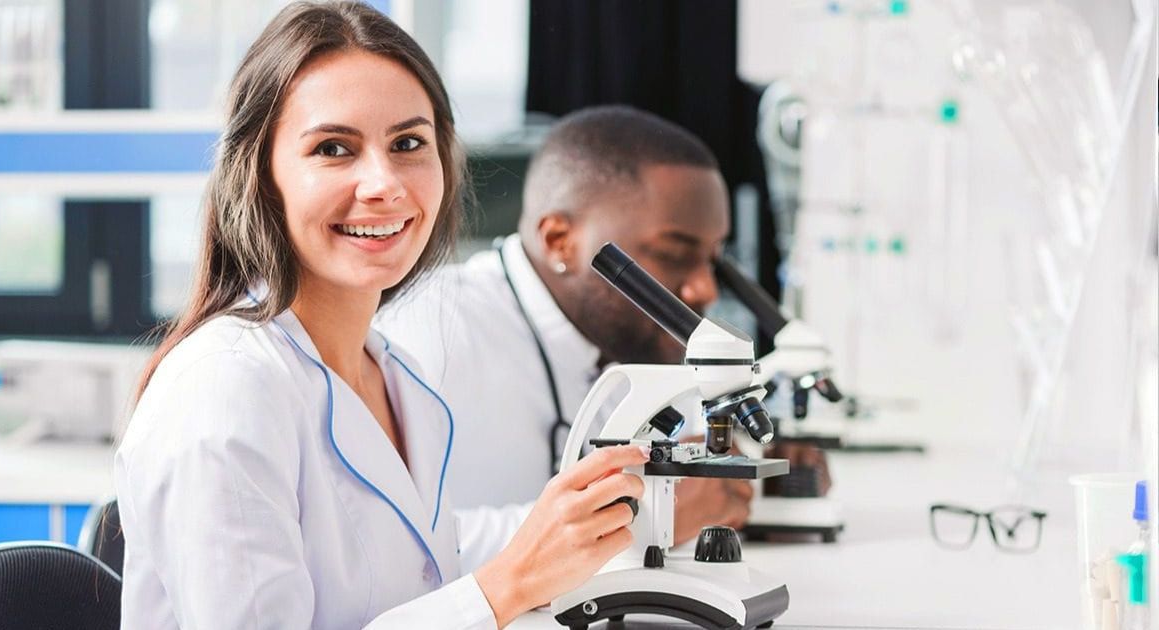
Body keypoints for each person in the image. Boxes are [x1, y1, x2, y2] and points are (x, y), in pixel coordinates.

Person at [115, 4, 651, 628]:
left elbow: (425, 565)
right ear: (261, 178)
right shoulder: (225, 388)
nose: (385, 183)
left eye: (408, 143)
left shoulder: (394, 374)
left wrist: (588, 517)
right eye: (334, 148)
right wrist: (504, 586)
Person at [381, 105, 830, 556]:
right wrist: (640, 518)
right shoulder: (431, 334)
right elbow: (398, 549)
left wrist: (756, 475)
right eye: (674, 253)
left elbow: (699, 471)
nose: (703, 287)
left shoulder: (631, 335)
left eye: (713, 260)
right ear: (560, 240)